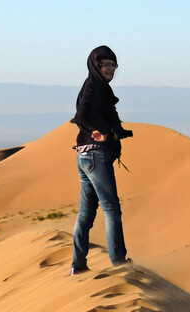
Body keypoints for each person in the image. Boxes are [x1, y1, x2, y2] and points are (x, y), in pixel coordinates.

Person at [70, 45, 133, 275]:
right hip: (96, 155)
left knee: (86, 214)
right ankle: (119, 262)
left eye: (113, 65)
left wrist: (119, 132)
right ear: (95, 65)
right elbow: (83, 114)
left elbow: (93, 113)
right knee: (111, 208)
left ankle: (78, 264)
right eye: (105, 64)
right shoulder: (94, 85)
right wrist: (103, 130)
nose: (110, 69)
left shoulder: (97, 87)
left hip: (85, 155)